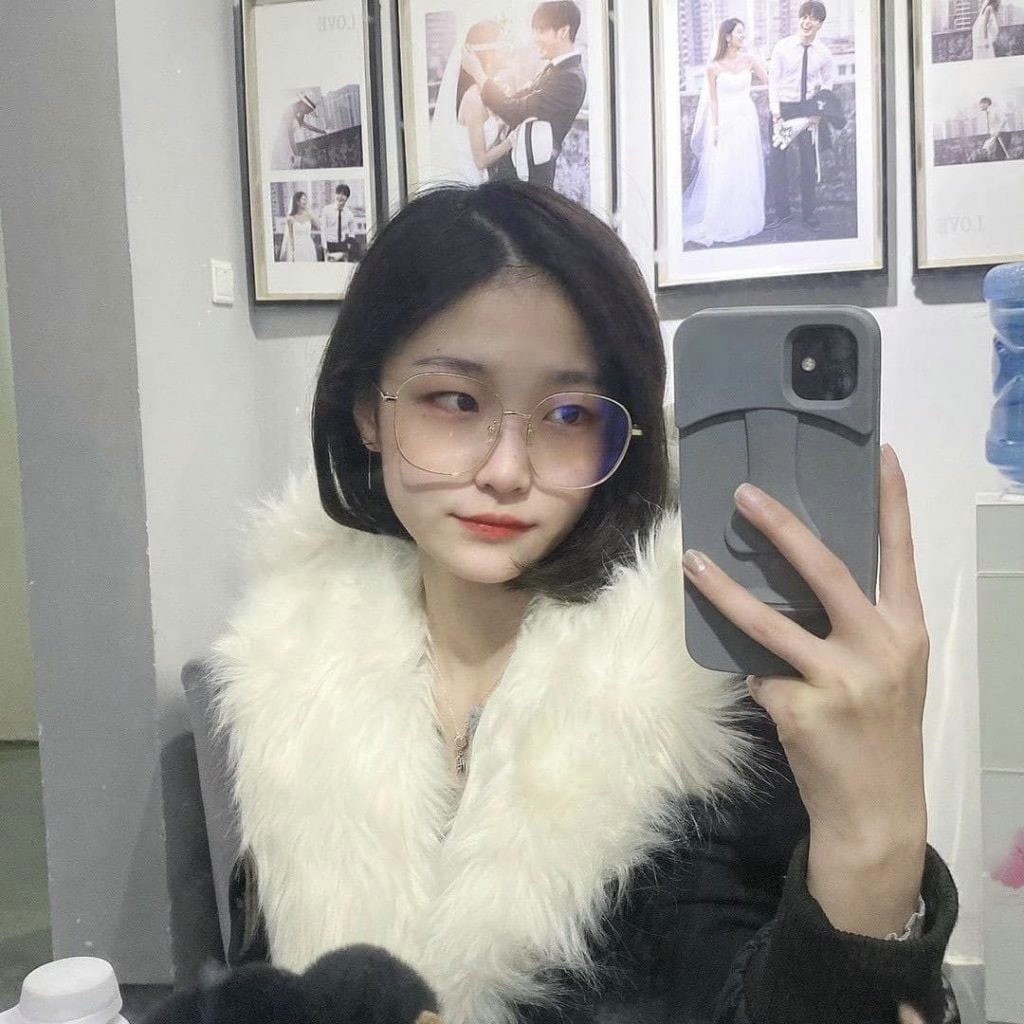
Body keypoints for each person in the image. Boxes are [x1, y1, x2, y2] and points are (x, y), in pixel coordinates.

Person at [213, 182, 960, 1024]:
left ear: (622, 432)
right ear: (367, 413)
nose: (505, 470)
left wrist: (877, 840)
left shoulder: (701, 703)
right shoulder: (292, 672)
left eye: (567, 413)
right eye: (454, 401)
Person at [461, 1, 587, 188]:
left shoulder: (570, 78)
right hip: (515, 178)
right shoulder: (554, 69)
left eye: (541, 31)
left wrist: (478, 73)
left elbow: (514, 111)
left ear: (563, 32)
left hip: (530, 181)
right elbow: (514, 102)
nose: (535, 38)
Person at [684, 18, 768, 247]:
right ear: (727, 37)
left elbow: (770, 81)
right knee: (726, 167)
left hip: (746, 117)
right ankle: (725, 218)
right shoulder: (713, 67)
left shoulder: (750, 60)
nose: (743, 36)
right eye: (739, 32)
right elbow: (713, 101)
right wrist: (715, 127)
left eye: (743, 32)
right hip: (725, 120)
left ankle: (746, 216)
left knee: (746, 166)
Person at [765, 0, 835, 230]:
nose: (807, 22)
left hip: (807, 111)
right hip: (783, 110)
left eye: (813, 18)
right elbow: (773, 82)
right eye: (804, 17)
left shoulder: (824, 53)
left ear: (820, 24)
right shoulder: (782, 47)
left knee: (808, 163)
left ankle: (809, 213)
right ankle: (782, 213)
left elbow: (828, 84)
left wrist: (817, 112)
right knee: (779, 162)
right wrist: (776, 114)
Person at [429, 20, 517, 185]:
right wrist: (512, 140)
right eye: (503, 45)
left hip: (482, 181)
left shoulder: (483, 92)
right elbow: (480, 161)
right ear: (488, 54)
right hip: (471, 183)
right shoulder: (473, 99)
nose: (508, 50)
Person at [278, 191, 319, 262]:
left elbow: (319, 226)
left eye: (306, 199)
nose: (305, 202)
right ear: (297, 202)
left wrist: (310, 212)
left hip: (308, 245)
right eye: (303, 199)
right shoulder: (290, 218)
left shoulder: (309, 216)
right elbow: (291, 237)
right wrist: (292, 251)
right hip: (297, 247)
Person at [320, 184, 356, 262]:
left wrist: (348, 245)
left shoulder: (349, 214)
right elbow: (323, 230)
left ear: (347, 198)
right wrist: (325, 248)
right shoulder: (326, 210)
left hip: (342, 246)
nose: (340, 197)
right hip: (329, 245)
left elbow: (352, 232)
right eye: (338, 194)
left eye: (343, 195)